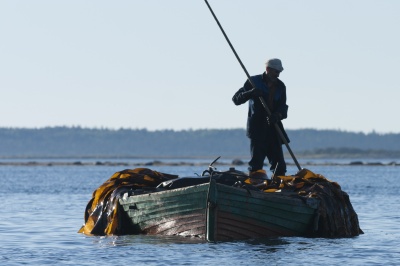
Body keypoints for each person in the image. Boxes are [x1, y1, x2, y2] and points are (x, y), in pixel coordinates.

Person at [232, 58, 289, 179]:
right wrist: (250, 93)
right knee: (256, 164)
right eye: (276, 72)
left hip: (274, 129)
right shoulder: (253, 81)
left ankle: (279, 188)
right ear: (268, 69)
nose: (278, 74)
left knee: (280, 165)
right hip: (257, 130)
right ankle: (255, 186)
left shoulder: (281, 86)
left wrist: (277, 115)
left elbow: (283, 108)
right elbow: (236, 99)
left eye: (279, 72)